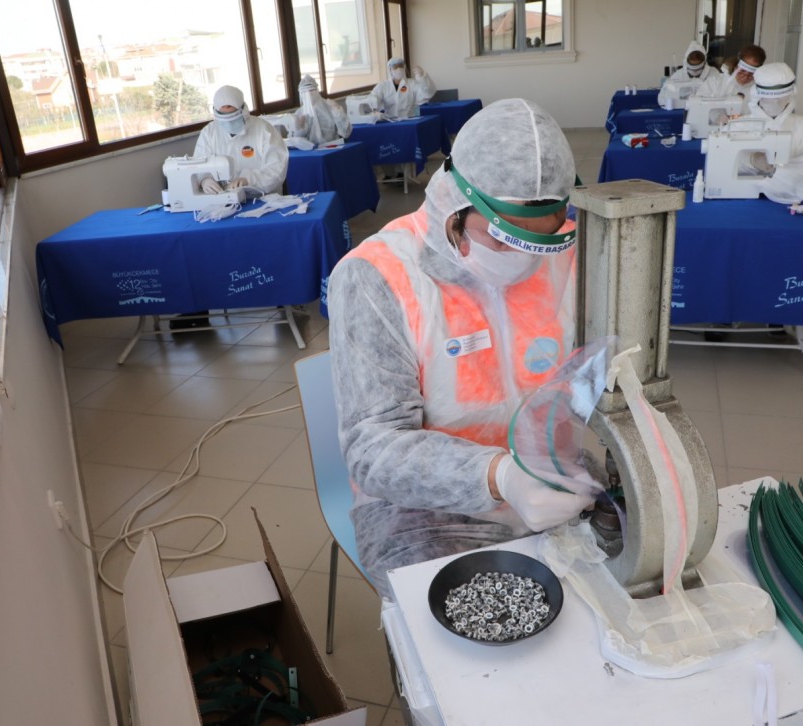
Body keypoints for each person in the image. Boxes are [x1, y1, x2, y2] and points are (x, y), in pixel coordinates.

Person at [327, 98, 600, 600]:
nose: (522, 260)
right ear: (455, 206)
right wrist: (498, 475)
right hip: (422, 506)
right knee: (473, 639)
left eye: (539, 243)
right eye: (502, 241)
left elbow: (595, 366)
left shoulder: (566, 258)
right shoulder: (378, 277)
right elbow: (373, 448)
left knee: (621, 594)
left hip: (551, 470)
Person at [173, 85, 289, 331]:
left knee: (271, 246)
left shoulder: (263, 130)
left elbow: (278, 168)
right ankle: (199, 305)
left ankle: (284, 296)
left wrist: (250, 179)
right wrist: (204, 180)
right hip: (221, 204)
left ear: (243, 110)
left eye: (233, 115)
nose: (228, 121)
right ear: (215, 113)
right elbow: (197, 166)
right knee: (201, 245)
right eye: (223, 116)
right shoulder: (209, 133)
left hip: (261, 201)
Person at [738, 62, 803, 181]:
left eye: (780, 100)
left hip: (792, 194)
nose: (775, 103)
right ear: (756, 96)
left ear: (791, 96)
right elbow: (720, 165)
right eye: (769, 100)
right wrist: (751, 160)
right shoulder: (740, 126)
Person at [291, 74, 351, 146]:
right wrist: (300, 132)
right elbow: (295, 142)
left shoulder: (330, 106)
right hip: (311, 151)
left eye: (311, 90)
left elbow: (345, 133)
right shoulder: (299, 113)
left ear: (317, 90)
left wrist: (338, 112)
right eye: (305, 92)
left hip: (333, 147)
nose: (309, 94)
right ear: (301, 94)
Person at [368, 57, 436, 120]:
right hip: (390, 121)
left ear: (404, 67)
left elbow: (427, 93)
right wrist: (374, 109)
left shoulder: (412, 84)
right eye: (395, 67)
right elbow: (374, 96)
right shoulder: (383, 86)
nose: (399, 69)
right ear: (390, 70)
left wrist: (422, 78)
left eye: (400, 66)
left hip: (410, 120)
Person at [658, 40, 715, 108]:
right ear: (686, 61)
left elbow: (722, 95)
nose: (695, 72)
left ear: (704, 62)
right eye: (693, 68)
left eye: (697, 69)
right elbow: (662, 100)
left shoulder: (713, 74)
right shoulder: (678, 75)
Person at [696, 43, 766, 99]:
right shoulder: (716, 82)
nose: (745, 77)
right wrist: (717, 115)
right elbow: (699, 103)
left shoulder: (760, 89)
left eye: (751, 74)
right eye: (743, 71)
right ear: (736, 66)